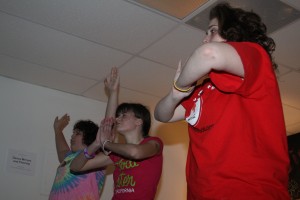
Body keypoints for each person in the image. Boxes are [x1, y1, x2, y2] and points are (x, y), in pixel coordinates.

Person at [154, 2, 290, 199]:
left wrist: (181, 85)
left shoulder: (256, 57)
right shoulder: (202, 88)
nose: (204, 39)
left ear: (234, 33)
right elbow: (162, 114)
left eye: (212, 31)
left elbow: (208, 55)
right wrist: (176, 94)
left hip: (250, 192)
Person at [70, 67, 163, 200]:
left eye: (123, 115)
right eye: (118, 116)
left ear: (139, 121)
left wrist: (106, 144)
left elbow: (135, 152)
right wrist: (96, 144)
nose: (118, 119)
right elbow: (75, 167)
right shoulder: (117, 154)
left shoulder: (154, 144)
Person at [49, 114, 106, 200]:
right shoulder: (70, 157)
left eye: (77, 133)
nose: (72, 136)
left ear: (89, 137)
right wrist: (58, 130)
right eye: (73, 133)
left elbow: (108, 152)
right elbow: (62, 152)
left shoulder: (95, 156)